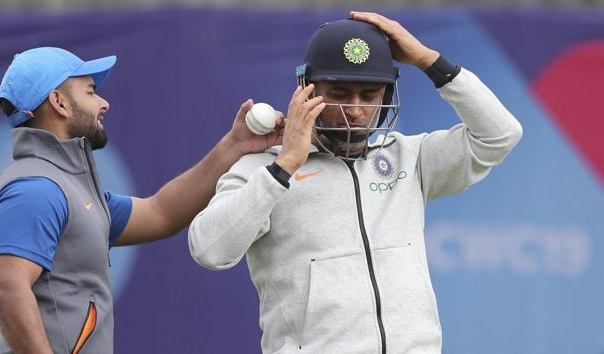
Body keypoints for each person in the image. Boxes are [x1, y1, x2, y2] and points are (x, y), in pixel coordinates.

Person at [188, 11, 523, 354]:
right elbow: (209, 249)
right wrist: (286, 165)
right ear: (307, 91)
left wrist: (426, 60)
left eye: (369, 94)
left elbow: (500, 135)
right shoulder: (266, 169)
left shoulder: (408, 157)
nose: (356, 109)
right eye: (340, 93)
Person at [0, 47, 283, 354]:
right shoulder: (35, 188)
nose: (103, 103)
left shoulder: (67, 187)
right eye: (90, 92)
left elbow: (161, 212)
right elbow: (8, 292)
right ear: (59, 103)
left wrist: (235, 145)